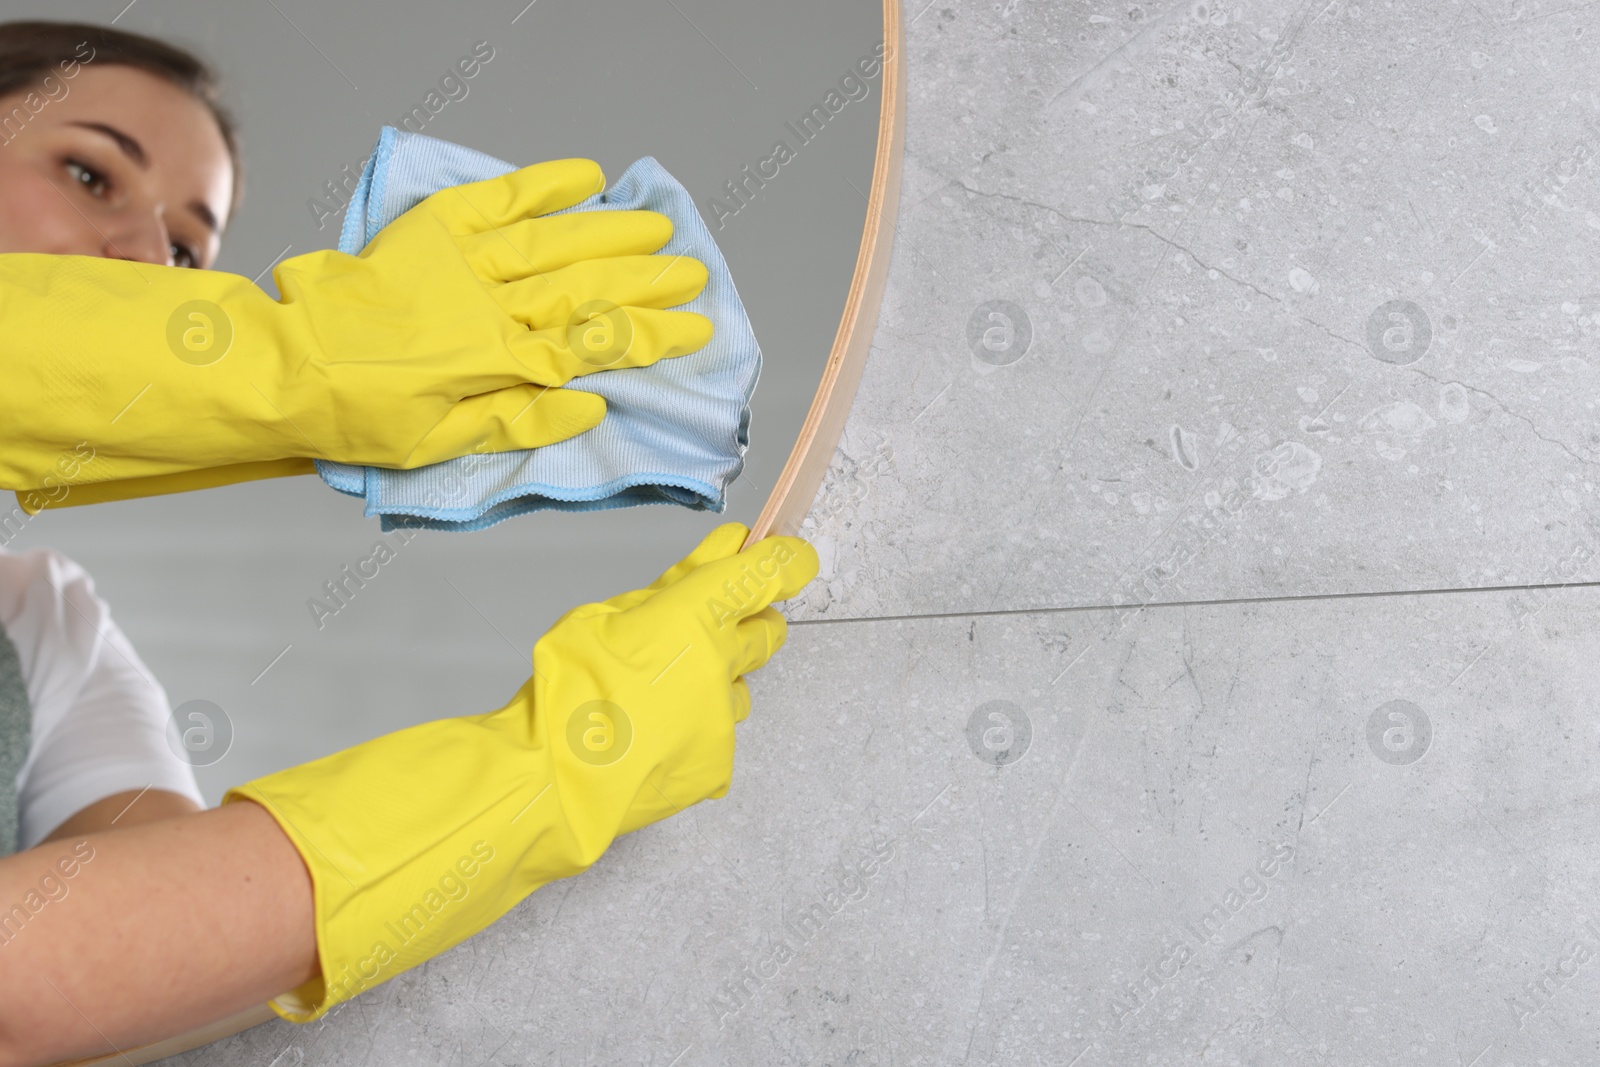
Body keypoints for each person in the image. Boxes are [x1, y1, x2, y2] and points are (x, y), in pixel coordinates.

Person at [0, 22, 816, 1067]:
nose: (142, 256)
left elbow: (123, 974)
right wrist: (298, 363)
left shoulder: (45, 629)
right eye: (88, 170)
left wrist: (541, 767)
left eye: (187, 252)